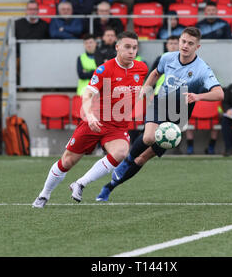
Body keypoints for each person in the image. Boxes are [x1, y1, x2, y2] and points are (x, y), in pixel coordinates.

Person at [96, 27, 224, 201]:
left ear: (197, 47)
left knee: (143, 159)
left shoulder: (202, 69)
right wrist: (146, 92)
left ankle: (109, 188)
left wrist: (198, 96)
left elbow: (219, 93)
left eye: (190, 43)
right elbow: (156, 73)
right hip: (160, 104)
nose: (185, 46)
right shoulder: (167, 57)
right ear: (179, 41)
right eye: (183, 41)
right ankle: (126, 161)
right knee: (148, 138)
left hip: (178, 118)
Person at [32, 31, 149, 207]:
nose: (131, 51)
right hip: (94, 121)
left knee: (121, 152)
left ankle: (80, 183)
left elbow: (151, 78)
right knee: (68, 161)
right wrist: (91, 115)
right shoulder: (104, 69)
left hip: (117, 125)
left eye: (134, 47)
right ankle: (44, 194)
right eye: (127, 47)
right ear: (117, 47)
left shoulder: (141, 68)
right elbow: (86, 95)